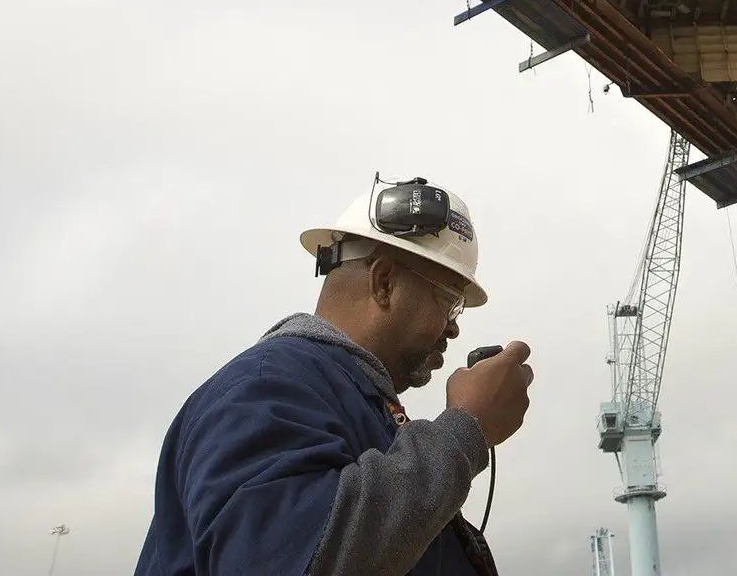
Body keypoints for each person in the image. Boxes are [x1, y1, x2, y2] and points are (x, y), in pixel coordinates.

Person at [132, 177, 534, 576]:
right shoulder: (263, 388)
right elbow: (297, 558)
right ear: (384, 281)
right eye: (449, 302)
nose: (453, 328)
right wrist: (466, 428)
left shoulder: (350, 403)